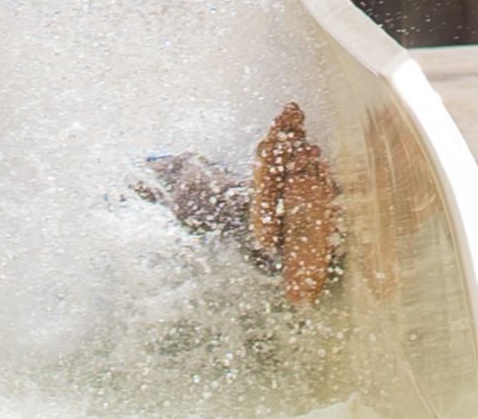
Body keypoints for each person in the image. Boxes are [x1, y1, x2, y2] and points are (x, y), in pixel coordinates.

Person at [138, 101, 339, 306]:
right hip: (175, 180)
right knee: (196, 178)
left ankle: (263, 219)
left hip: (164, 199)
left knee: (211, 204)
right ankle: (262, 207)